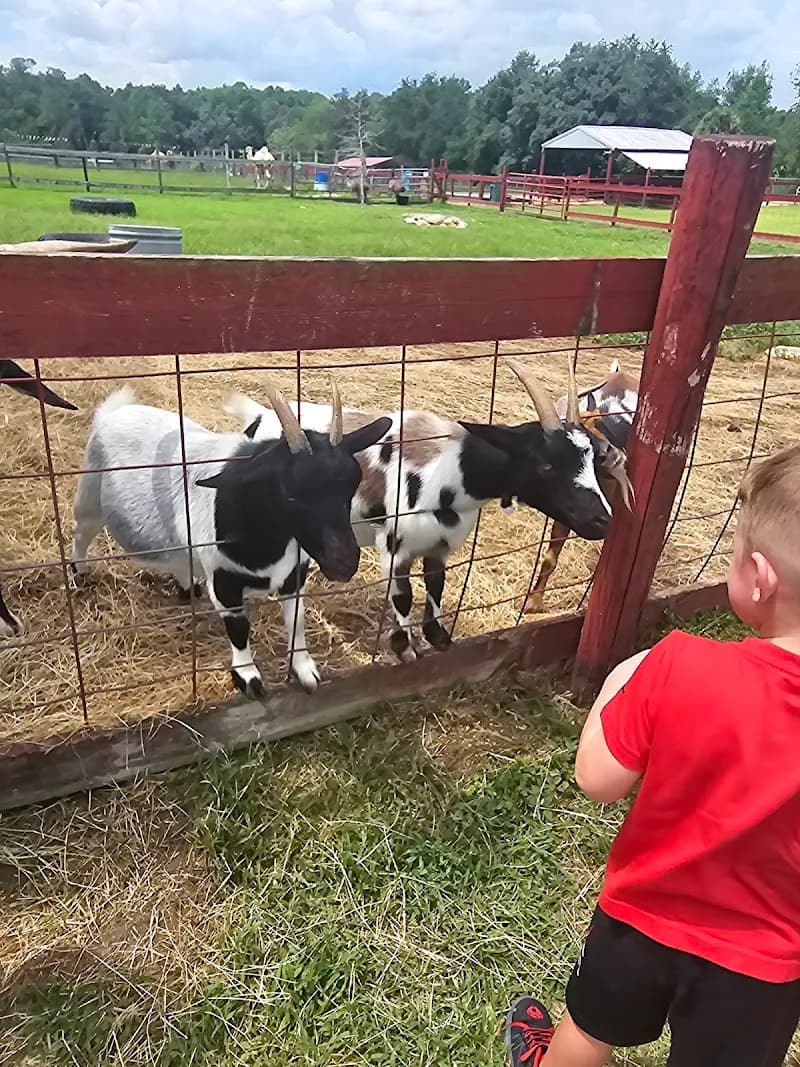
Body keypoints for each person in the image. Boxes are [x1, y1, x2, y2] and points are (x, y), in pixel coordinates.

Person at [506, 444, 800, 1067]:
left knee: (586, 1031)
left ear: (759, 576)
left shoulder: (678, 663)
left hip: (641, 918)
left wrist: (623, 680)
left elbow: (599, 779)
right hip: (766, 960)